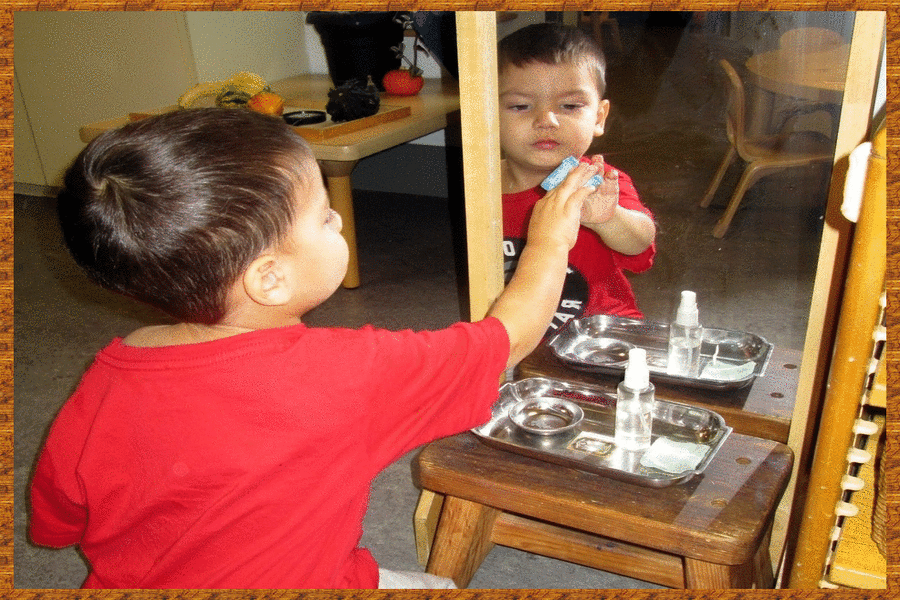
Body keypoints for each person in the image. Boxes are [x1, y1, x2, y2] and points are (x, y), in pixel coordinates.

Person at [29, 107, 602, 589]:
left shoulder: (108, 376)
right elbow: (507, 339)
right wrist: (551, 239)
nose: (337, 221)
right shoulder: (350, 374)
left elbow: (60, 516)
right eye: (324, 216)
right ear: (269, 278)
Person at [498, 23, 657, 336]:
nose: (546, 120)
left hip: (601, 337)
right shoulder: (481, 187)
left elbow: (641, 243)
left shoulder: (598, 180)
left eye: (569, 106)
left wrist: (607, 219)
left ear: (598, 117)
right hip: (519, 334)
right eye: (520, 106)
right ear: (487, 115)